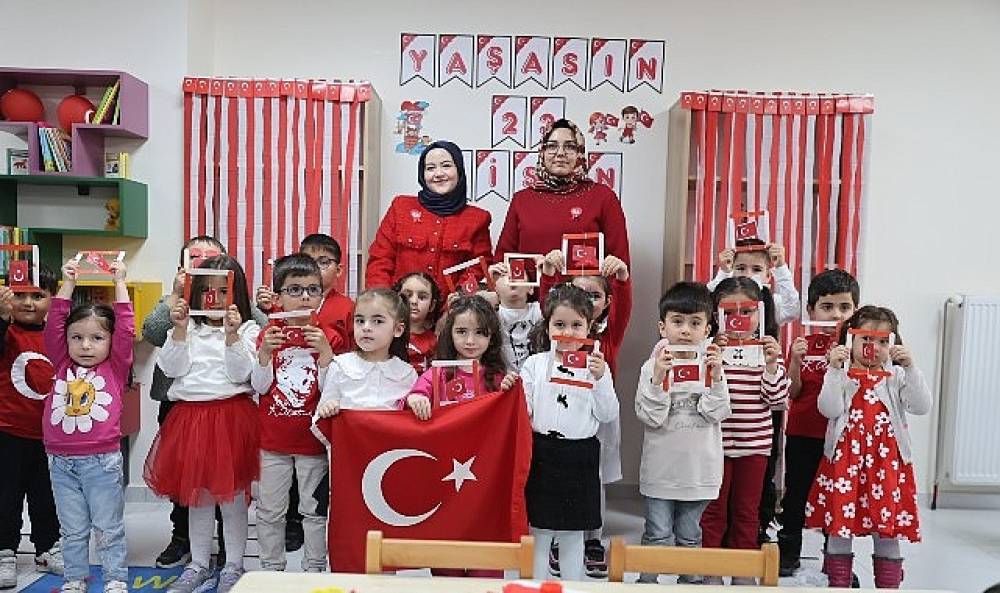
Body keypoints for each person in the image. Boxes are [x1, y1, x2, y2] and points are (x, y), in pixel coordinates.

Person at [143, 236, 266, 569]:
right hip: (190, 419)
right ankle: (197, 563)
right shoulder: (186, 328)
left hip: (231, 419)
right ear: (194, 291)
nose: (216, 298)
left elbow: (242, 375)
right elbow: (172, 368)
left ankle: (233, 565)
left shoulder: (248, 330)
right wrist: (179, 330)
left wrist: (232, 335)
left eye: (224, 291)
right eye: (208, 290)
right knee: (198, 499)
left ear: (237, 294)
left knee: (233, 501)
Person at [805, 306, 931, 589]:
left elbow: (921, 406)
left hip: (886, 466)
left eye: (883, 341)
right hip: (845, 464)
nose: (873, 347)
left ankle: (888, 586)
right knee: (840, 529)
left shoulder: (895, 376)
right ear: (851, 339)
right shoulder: (842, 374)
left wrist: (910, 368)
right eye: (866, 338)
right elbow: (828, 408)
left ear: (893, 343)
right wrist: (834, 371)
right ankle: (838, 583)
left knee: (887, 532)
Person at [538, 252, 631, 577]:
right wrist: (549, 275)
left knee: (595, 479)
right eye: (579, 292)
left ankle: (592, 539)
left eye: (594, 295)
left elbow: (623, 307)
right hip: (558, 420)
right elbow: (550, 308)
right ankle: (555, 539)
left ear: (606, 303)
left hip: (597, 413)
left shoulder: (606, 336)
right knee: (554, 482)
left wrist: (622, 280)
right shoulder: (553, 342)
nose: (586, 300)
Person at [43, 258, 134, 593]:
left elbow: (126, 330)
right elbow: (54, 324)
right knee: (72, 529)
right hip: (60, 462)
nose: (85, 345)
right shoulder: (61, 362)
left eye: (96, 338)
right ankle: (75, 577)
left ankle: (114, 578)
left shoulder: (115, 367)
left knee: (108, 527)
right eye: (77, 337)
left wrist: (120, 284)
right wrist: (67, 284)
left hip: (102, 462)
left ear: (110, 342)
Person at [521, 284, 619, 581]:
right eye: (560, 324)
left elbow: (608, 414)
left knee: (573, 533)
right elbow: (524, 410)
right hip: (542, 452)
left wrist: (600, 379)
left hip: (580, 456)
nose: (568, 332)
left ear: (589, 328)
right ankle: (536, 585)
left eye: (577, 325)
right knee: (539, 530)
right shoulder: (535, 364)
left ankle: (573, 585)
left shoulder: (596, 368)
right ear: (548, 326)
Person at [635, 282, 730, 584]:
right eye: (677, 321)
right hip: (661, 471)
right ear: (662, 327)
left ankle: (692, 584)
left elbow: (716, 413)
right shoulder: (650, 367)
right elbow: (650, 417)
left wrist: (716, 378)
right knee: (657, 534)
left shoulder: (713, 366)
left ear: (708, 329)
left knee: (690, 537)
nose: (686, 330)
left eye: (695, 323)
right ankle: (647, 584)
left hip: (699, 472)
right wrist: (657, 379)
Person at [700, 277, 789, 586]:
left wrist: (771, 365)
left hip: (755, 446)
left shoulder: (767, 352)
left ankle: (743, 571)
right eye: (729, 312)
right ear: (717, 315)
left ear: (760, 314)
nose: (738, 318)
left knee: (747, 511)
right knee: (714, 510)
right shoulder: (710, 350)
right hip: (716, 445)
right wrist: (712, 358)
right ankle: (710, 571)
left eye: (747, 311)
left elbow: (777, 400)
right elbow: (702, 393)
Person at [251, 254, 334, 573]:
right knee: (270, 511)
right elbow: (259, 387)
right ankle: (271, 569)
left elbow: (331, 392)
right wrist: (264, 353)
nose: (304, 297)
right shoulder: (269, 334)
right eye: (295, 290)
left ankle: (314, 569)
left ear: (321, 295)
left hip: (313, 442)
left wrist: (325, 353)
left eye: (313, 290)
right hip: (272, 441)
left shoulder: (328, 335)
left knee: (314, 511)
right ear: (278, 298)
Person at [778, 269, 859, 576]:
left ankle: (836, 558)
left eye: (844, 307)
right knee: (796, 494)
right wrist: (795, 361)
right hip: (802, 432)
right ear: (811, 311)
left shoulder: (857, 348)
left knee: (837, 496)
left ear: (855, 311)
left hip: (840, 437)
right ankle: (788, 552)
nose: (836, 314)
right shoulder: (803, 344)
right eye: (827, 307)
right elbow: (793, 392)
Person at [495, 119, 630, 271]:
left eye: (570, 146)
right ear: (542, 152)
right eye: (552, 146)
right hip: (531, 287)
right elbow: (502, 262)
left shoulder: (602, 197)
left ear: (579, 153)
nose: (560, 153)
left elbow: (619, 264)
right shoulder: (522, 200)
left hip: (585, 287)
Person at [0, 267, 63, 588]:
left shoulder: (58, 335)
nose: (28, 303)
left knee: (46, 495)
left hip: (48, 435)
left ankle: (47, 546)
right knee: (6, 496)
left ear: (52, 298)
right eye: (20, 295)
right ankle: (5, 551)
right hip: (7, 431)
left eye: (37, 296)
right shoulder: (6, 331)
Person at [365, 141, 492, 296]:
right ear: (422, 174)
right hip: (399, 306)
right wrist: (386, 303)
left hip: (452, 308)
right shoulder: (400, 207)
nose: (439, 173)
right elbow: (380, 261)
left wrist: (456, 303)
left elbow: (477, 269)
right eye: (430, 168)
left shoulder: (477, 219)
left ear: (459, 170)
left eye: (446, 166)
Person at [406, 295, 516, 421]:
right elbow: (416, 395)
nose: (470, 341)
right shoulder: (437, 373)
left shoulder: (499, 376)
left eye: (479, 332)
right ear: (450, 334)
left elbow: (507, 415)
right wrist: (416, 399)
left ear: (492, 337)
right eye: (462, 332)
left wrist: (509, 390)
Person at [316, 289, 417, 417]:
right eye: (360, 321)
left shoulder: (407, 373)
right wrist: (328, 408)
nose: (366, 328)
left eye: (377, 321)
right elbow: (322, 411)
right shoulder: (340, 366)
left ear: (397, 330)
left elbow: (410, 422)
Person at [708, 239, 800, 325]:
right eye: (741, 268)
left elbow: (791, 311)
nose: (748, 275)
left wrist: (781, 267)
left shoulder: (773, 302)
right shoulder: (724, 299)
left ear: (768, 276)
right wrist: (724, 272)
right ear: (731, 272)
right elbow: (706, 302)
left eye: (757, 270)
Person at [488, 262, 542, 372]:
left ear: (531, 287)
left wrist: (545, 274)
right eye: (505, 274)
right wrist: (488, 278)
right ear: (496, 289)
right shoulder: (492, 314)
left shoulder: (538, 310)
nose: (512, 278)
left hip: (536, 375)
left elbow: (553, 302)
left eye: (518, 273)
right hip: (504, 377)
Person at [392, 272, 441, 374]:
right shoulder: (388, 335)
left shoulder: (434, 342)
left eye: (422, 297)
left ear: (432, 305)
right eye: (408, 295)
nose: (414, 301)